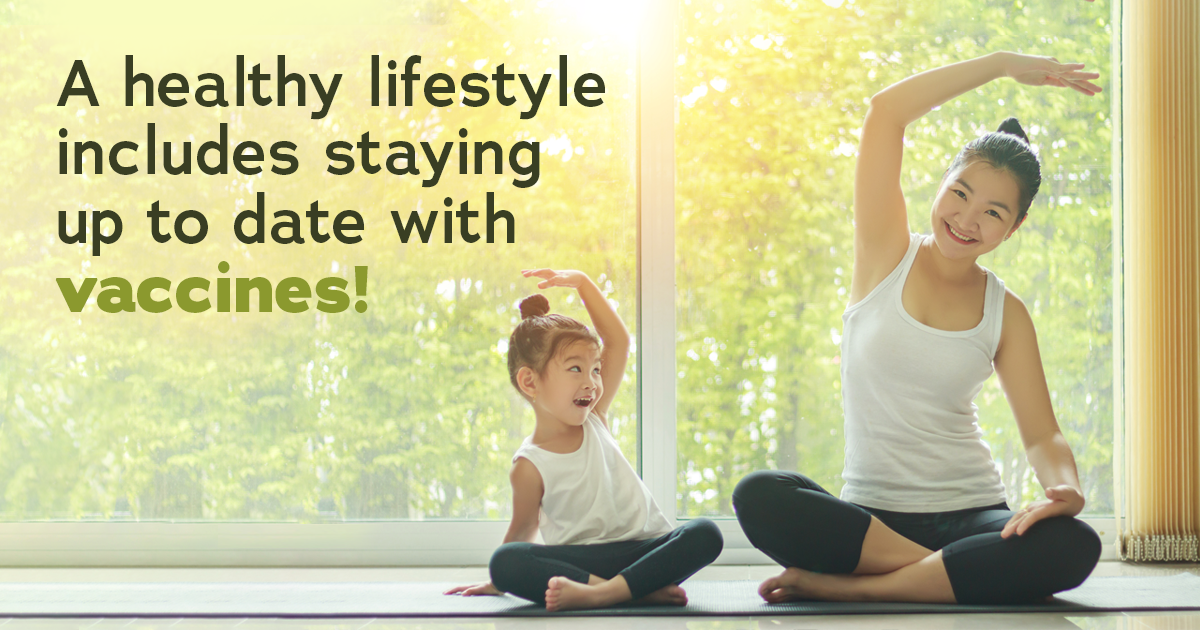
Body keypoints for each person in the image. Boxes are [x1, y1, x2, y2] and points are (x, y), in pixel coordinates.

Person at [732, 52, 1105, 605]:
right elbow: (886, 112)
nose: (967, 219)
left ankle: (855, 589)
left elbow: (1041, 434)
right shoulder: (885, 253)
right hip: (872, 521)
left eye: (994, 212)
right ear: (942, 185)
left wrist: (1066, 489)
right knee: (759, 495)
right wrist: (1002, 64)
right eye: (960, 193)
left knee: (1073, 545)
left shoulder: (1008, 311)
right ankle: (941, 577)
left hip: (972, 513)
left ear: (1015, 226)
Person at [445, 268, 723, 611]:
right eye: (576, 369)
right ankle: (630, 590)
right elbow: (522, 530)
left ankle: (608, 594)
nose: (592, 382)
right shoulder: (529, 465)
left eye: (595, 369)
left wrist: (582, 283)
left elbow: (618, 341)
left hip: (644, 551)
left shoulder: (595, 419)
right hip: (582, 566)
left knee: (705, 533)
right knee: (506, 561)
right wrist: (497, 580)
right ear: (530, 382)